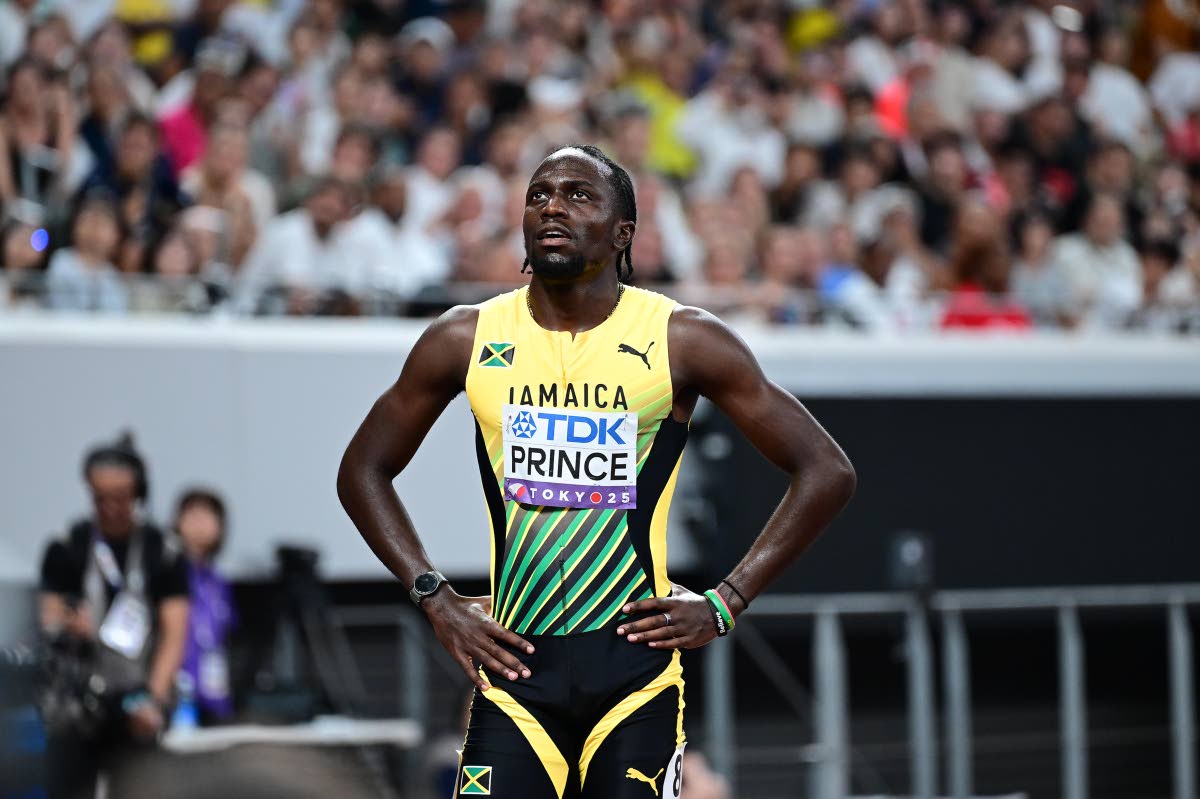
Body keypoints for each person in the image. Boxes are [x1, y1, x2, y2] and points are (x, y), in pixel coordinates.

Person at [338, 145, 856, 799]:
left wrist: (726, 601)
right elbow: (362, 470)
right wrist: (435, 598)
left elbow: (825, 469)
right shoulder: (466, 336)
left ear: (622, 233)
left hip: (634, 676)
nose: (552, 206)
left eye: (578, 194)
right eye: (539, 194)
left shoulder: (682, 338)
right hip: (516, 675)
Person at [38, 433, 189, 799]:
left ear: (138, 493)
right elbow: (49, 616)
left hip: (138, 689)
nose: (110, 508)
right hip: (79, 697)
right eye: (100, 498)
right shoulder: (68, 545)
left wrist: (154, 698)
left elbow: (174, 631)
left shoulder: (162, 550)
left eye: (120, 497)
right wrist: (69, 626)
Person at [174, 488, 236, 723]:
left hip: (214, 693)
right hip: (179, 694)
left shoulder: (218, 583)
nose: (199, 524)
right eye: (192, 515)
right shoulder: (169, 576)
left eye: (208, 515)